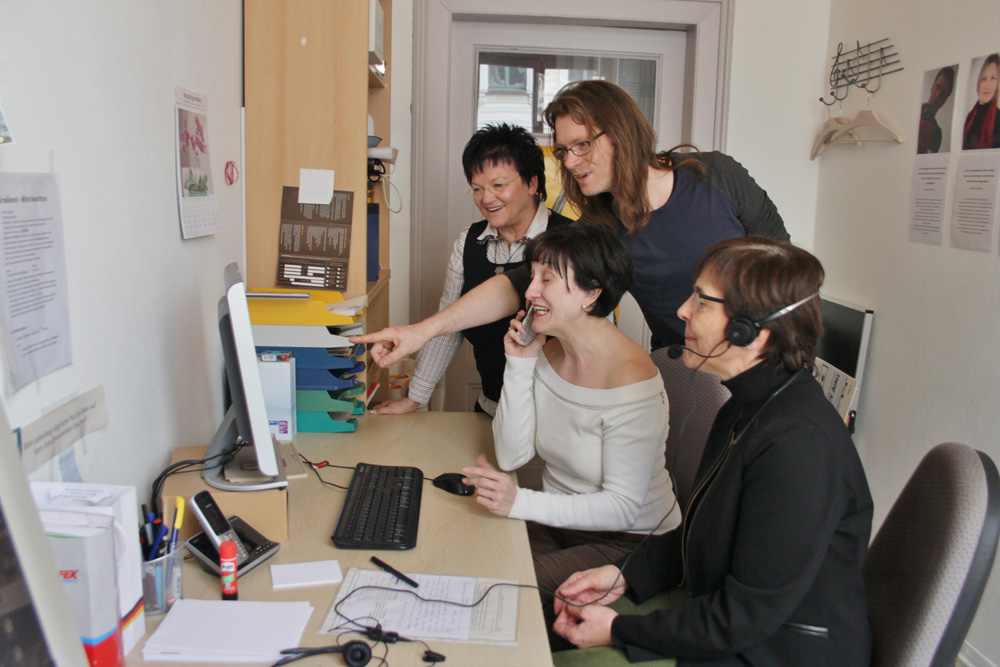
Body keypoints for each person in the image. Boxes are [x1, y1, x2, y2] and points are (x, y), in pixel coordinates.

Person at [550, 236, 873, 666]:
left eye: (702, 302)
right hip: (735, 626)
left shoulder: (799, 447)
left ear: (752, 333)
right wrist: (623, 575)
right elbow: (706, 535)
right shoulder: (746, 407)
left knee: (563, 655)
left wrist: (616, 628)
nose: (683, 310)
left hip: (776, 651)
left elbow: (741, 620)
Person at [351, 80, 789, 373]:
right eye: (563, 151)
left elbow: (786, 269)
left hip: (764, 360)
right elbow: (522, 282)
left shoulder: (716, 176)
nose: (571, 162)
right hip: (690, 374)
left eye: (582, 145)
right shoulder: (604, 226)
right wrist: (420, 331)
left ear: (622, 131)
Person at [461, 225, 678, 627]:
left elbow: (623, 508)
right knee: (467, 554)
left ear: (592, 293)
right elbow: (511, 454)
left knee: (490, 595)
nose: (529, 293)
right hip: (560, 524)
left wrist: (519, 503)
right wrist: (521, 363)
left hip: (627, 541)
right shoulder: (548, 351)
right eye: (532, 278)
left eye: (547, 280)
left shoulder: (630, 379)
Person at [372, 123, 571, 416]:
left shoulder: (573, 241)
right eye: (477, 189)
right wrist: (415, 397)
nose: (487, 198)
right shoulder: (470, 241)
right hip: (493, 407)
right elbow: (449, 325)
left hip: (559, 417)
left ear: (532, 182)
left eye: (498, 185)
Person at [963, 54, 1000, 151]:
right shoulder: (970, 117)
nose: (987, 86)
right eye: (984, 78)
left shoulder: (998, 118)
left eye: (993, 78)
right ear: (979, 81)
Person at [918, 66, 955, 154]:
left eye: (943, 93)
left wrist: (924, 144)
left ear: (945, 100)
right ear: (932, 87)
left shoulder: (936, 133)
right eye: (937, 87)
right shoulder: (913, 113)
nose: (937, 95)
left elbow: (926, 164)